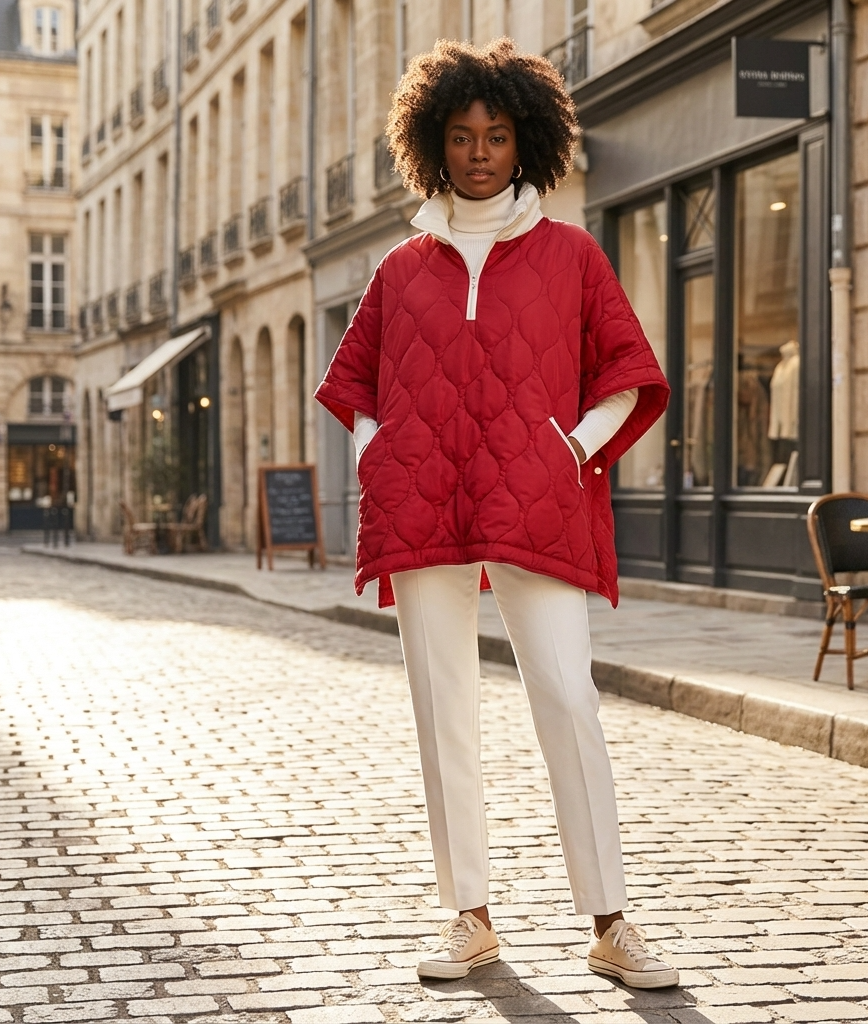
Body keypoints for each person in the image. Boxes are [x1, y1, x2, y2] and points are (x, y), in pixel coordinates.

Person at [315, 37, 674, 989]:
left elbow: (629, 375)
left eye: (499, 134)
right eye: (463, 134)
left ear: (529, 142)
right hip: (425, 503)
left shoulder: (572, 254)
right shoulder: (400, 268)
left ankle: (610, 921)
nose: (479, 152)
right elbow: (352, 385)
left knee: (569, 699)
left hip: (536, 500)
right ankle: (468, 915)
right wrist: (374, 448)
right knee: (446, 710)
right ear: (434, 140)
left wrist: (575, 448)